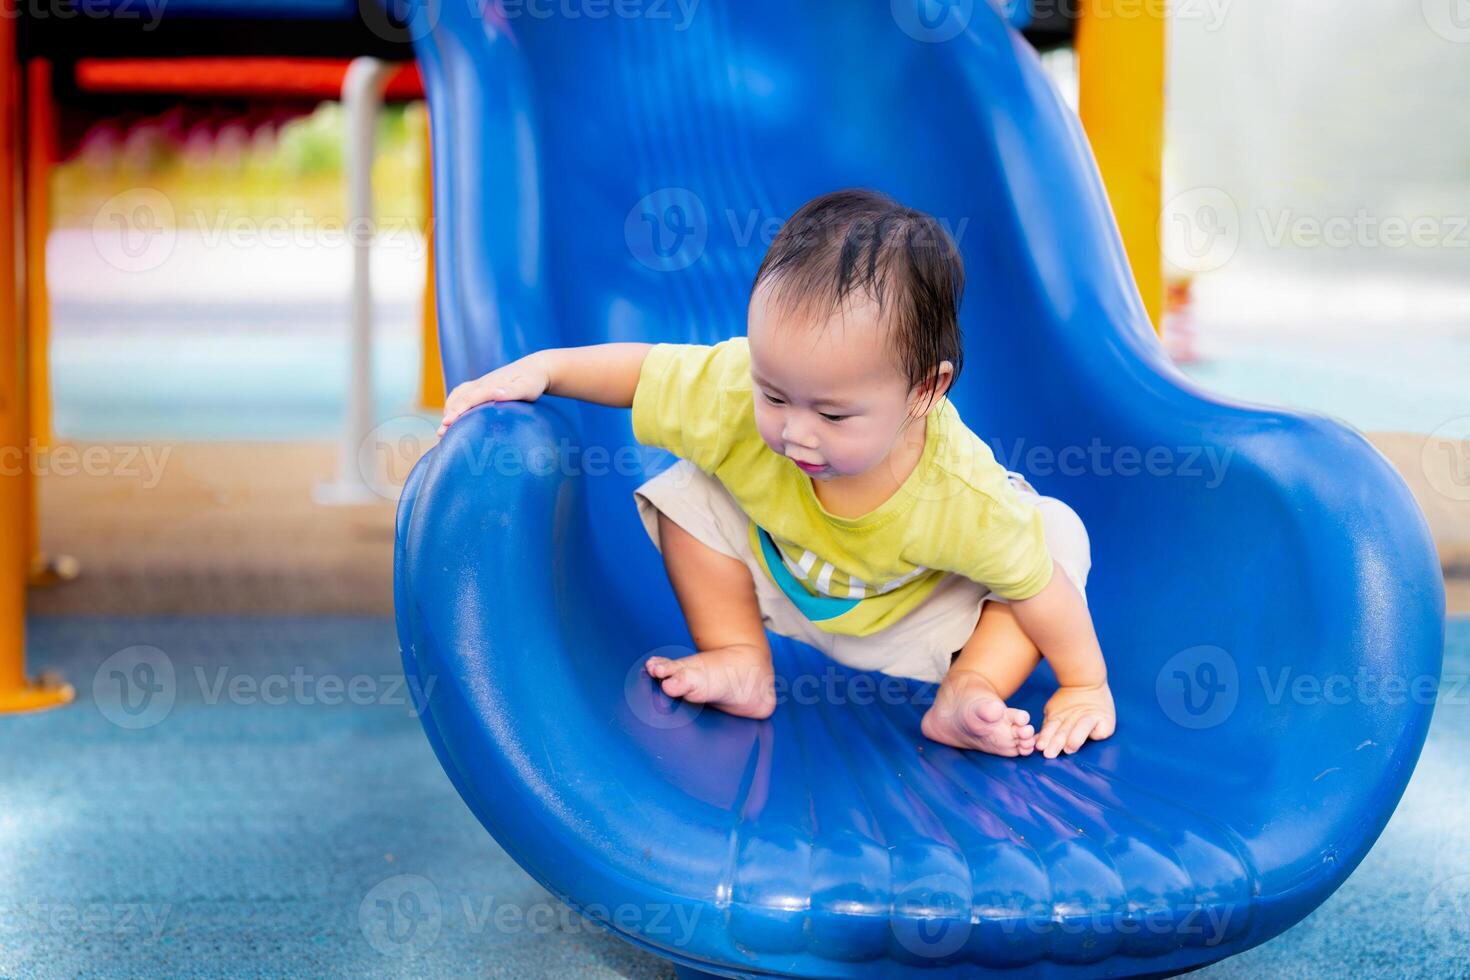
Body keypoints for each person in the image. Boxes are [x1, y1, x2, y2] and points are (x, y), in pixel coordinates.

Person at [438, 189, 1115, 758]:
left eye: (834, 414)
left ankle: (972, 689)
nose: (795, 430)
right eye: (776, 396)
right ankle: (739, 656)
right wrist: (546, 369)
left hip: (929, 616)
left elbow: (1037, 589)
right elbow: (644, 371)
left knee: (1052, 540)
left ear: (924, 393)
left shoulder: (958, 491)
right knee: (688, 490)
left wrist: (1084, 683)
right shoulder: (737, 390)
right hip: (791, 576)